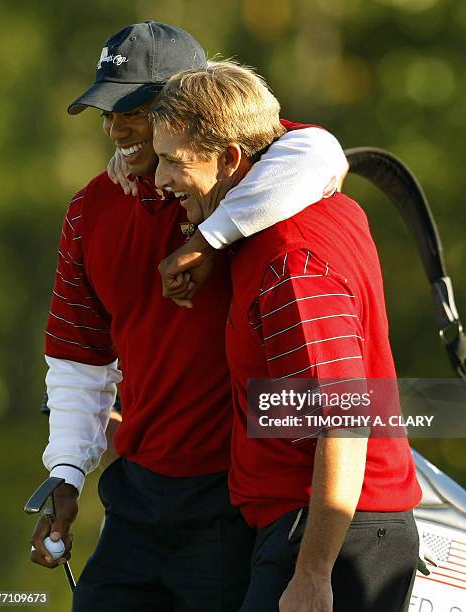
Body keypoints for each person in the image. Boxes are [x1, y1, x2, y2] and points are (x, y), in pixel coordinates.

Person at [29, 21, 349, 612]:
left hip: (234, 498)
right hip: (139, 497)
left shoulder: (250, 187)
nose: (116, 128)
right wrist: (68, 470)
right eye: (107, 111)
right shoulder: (88, 210)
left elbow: (320, 150)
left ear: (187, 107)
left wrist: (209, 237)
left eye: (134, 110)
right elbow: (79, 357)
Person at [151, 60, 422, 612]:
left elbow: (346, 418)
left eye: (172, 162)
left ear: (231, 159)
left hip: (334, 540)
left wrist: (313, 574)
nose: (159, 181)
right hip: (318, 528)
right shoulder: (293, 206)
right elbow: (301, 140)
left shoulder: (290, 260)